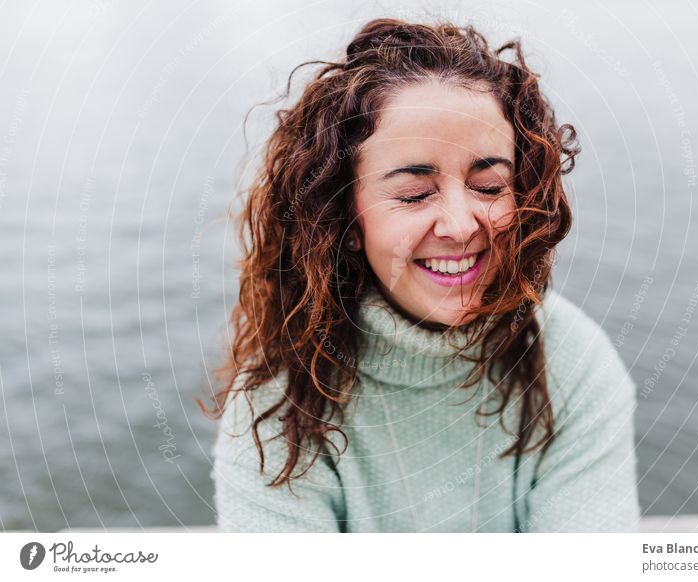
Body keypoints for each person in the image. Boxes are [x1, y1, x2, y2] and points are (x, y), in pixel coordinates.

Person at [204, 18, 640, 532]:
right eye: (414, 194)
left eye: (489, 185)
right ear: (345, 217)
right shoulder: (276, 401)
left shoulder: (574, 366)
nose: (459, 225)